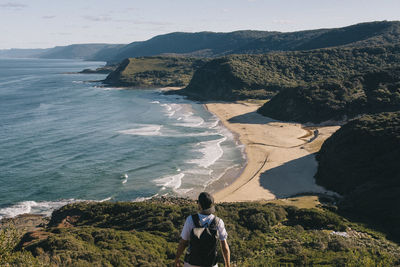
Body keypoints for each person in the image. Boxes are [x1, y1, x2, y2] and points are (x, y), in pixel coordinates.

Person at [174, 192, 231, 267]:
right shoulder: (218, 222)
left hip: (191, 263)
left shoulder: (190, 219)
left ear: (199, 205)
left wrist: (177, 258)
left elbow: (183, 242)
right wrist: (227, 264)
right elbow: (224, 246)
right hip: (211, 263)